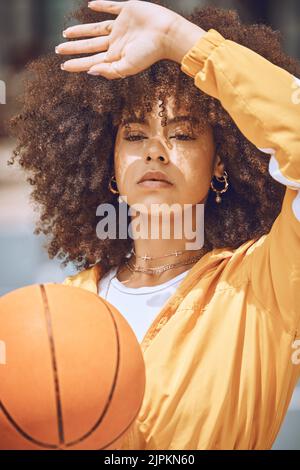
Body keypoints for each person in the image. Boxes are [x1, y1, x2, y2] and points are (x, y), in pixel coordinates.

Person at [9, 0, 300, 450]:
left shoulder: (265, 288)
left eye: (183, 134)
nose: (156, 151)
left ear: (220, 162)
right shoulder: (54, 311)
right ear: (107, 160)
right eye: (134, 134)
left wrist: (183, 42)